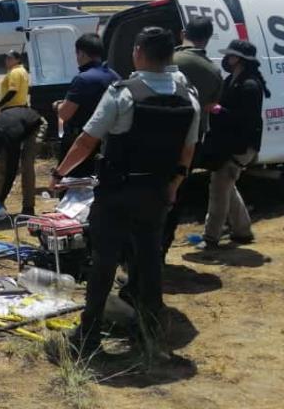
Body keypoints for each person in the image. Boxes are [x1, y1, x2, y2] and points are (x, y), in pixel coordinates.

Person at [50, 27, 200, 354]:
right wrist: (174, 186)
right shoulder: (188, 96)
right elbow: (187, 152)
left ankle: (87, 335)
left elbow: (86, 141)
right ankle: (150, 330)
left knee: (104, 261)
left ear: (138, 52)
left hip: (118, 192)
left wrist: (60, 172)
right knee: (148, 260)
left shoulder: (123, 93)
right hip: (157, 192)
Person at [199, 40, 271, 251]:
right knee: (226, 186)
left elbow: (245, 120)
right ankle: (242, 231)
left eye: (231, 56)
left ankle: (211, 237)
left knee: (219, 191)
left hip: (238, 146)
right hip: (231, 144)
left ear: (238, 59)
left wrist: (218, 110)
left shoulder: (249, 85)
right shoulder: (235, 80)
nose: (227, 59)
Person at [161, 16, 224, 257]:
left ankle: (140, 256)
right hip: (192, 142)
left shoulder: (168, 59)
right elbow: (210, 106)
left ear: (183, 33)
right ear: (208, 38)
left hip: (159, 138)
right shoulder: (213, 70)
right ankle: (162, 251)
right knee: (175, 197)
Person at [52, 33, 120, 177]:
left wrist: (57, 106)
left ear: (81, 53)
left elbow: (64, 114)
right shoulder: (114, 76)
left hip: (82, 142)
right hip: (108, 142)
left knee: (73, 191)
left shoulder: (82, 79)